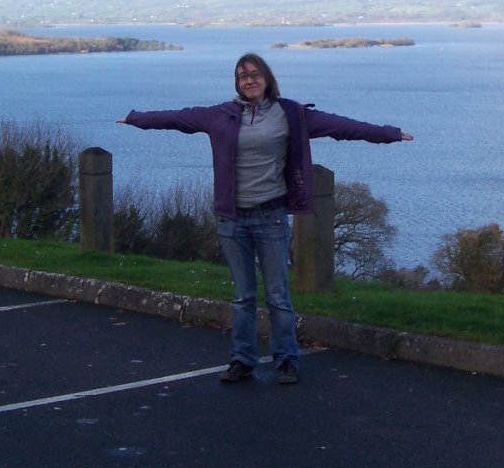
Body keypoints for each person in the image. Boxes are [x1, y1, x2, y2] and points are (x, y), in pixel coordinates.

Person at [117, 53, 413, 385]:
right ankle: (242, 360)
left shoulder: (292, 115)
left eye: (256, 74)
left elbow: (343, 127)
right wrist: (134, 118)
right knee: (243, 296)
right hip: (232, 220)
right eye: (243, 76)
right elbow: (175, 118)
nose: (250, 80)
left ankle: (286, 359)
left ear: (267, 79)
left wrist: (389, 133)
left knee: (277, 295)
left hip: (270, 217)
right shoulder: (220, 116)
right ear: (237, 83)